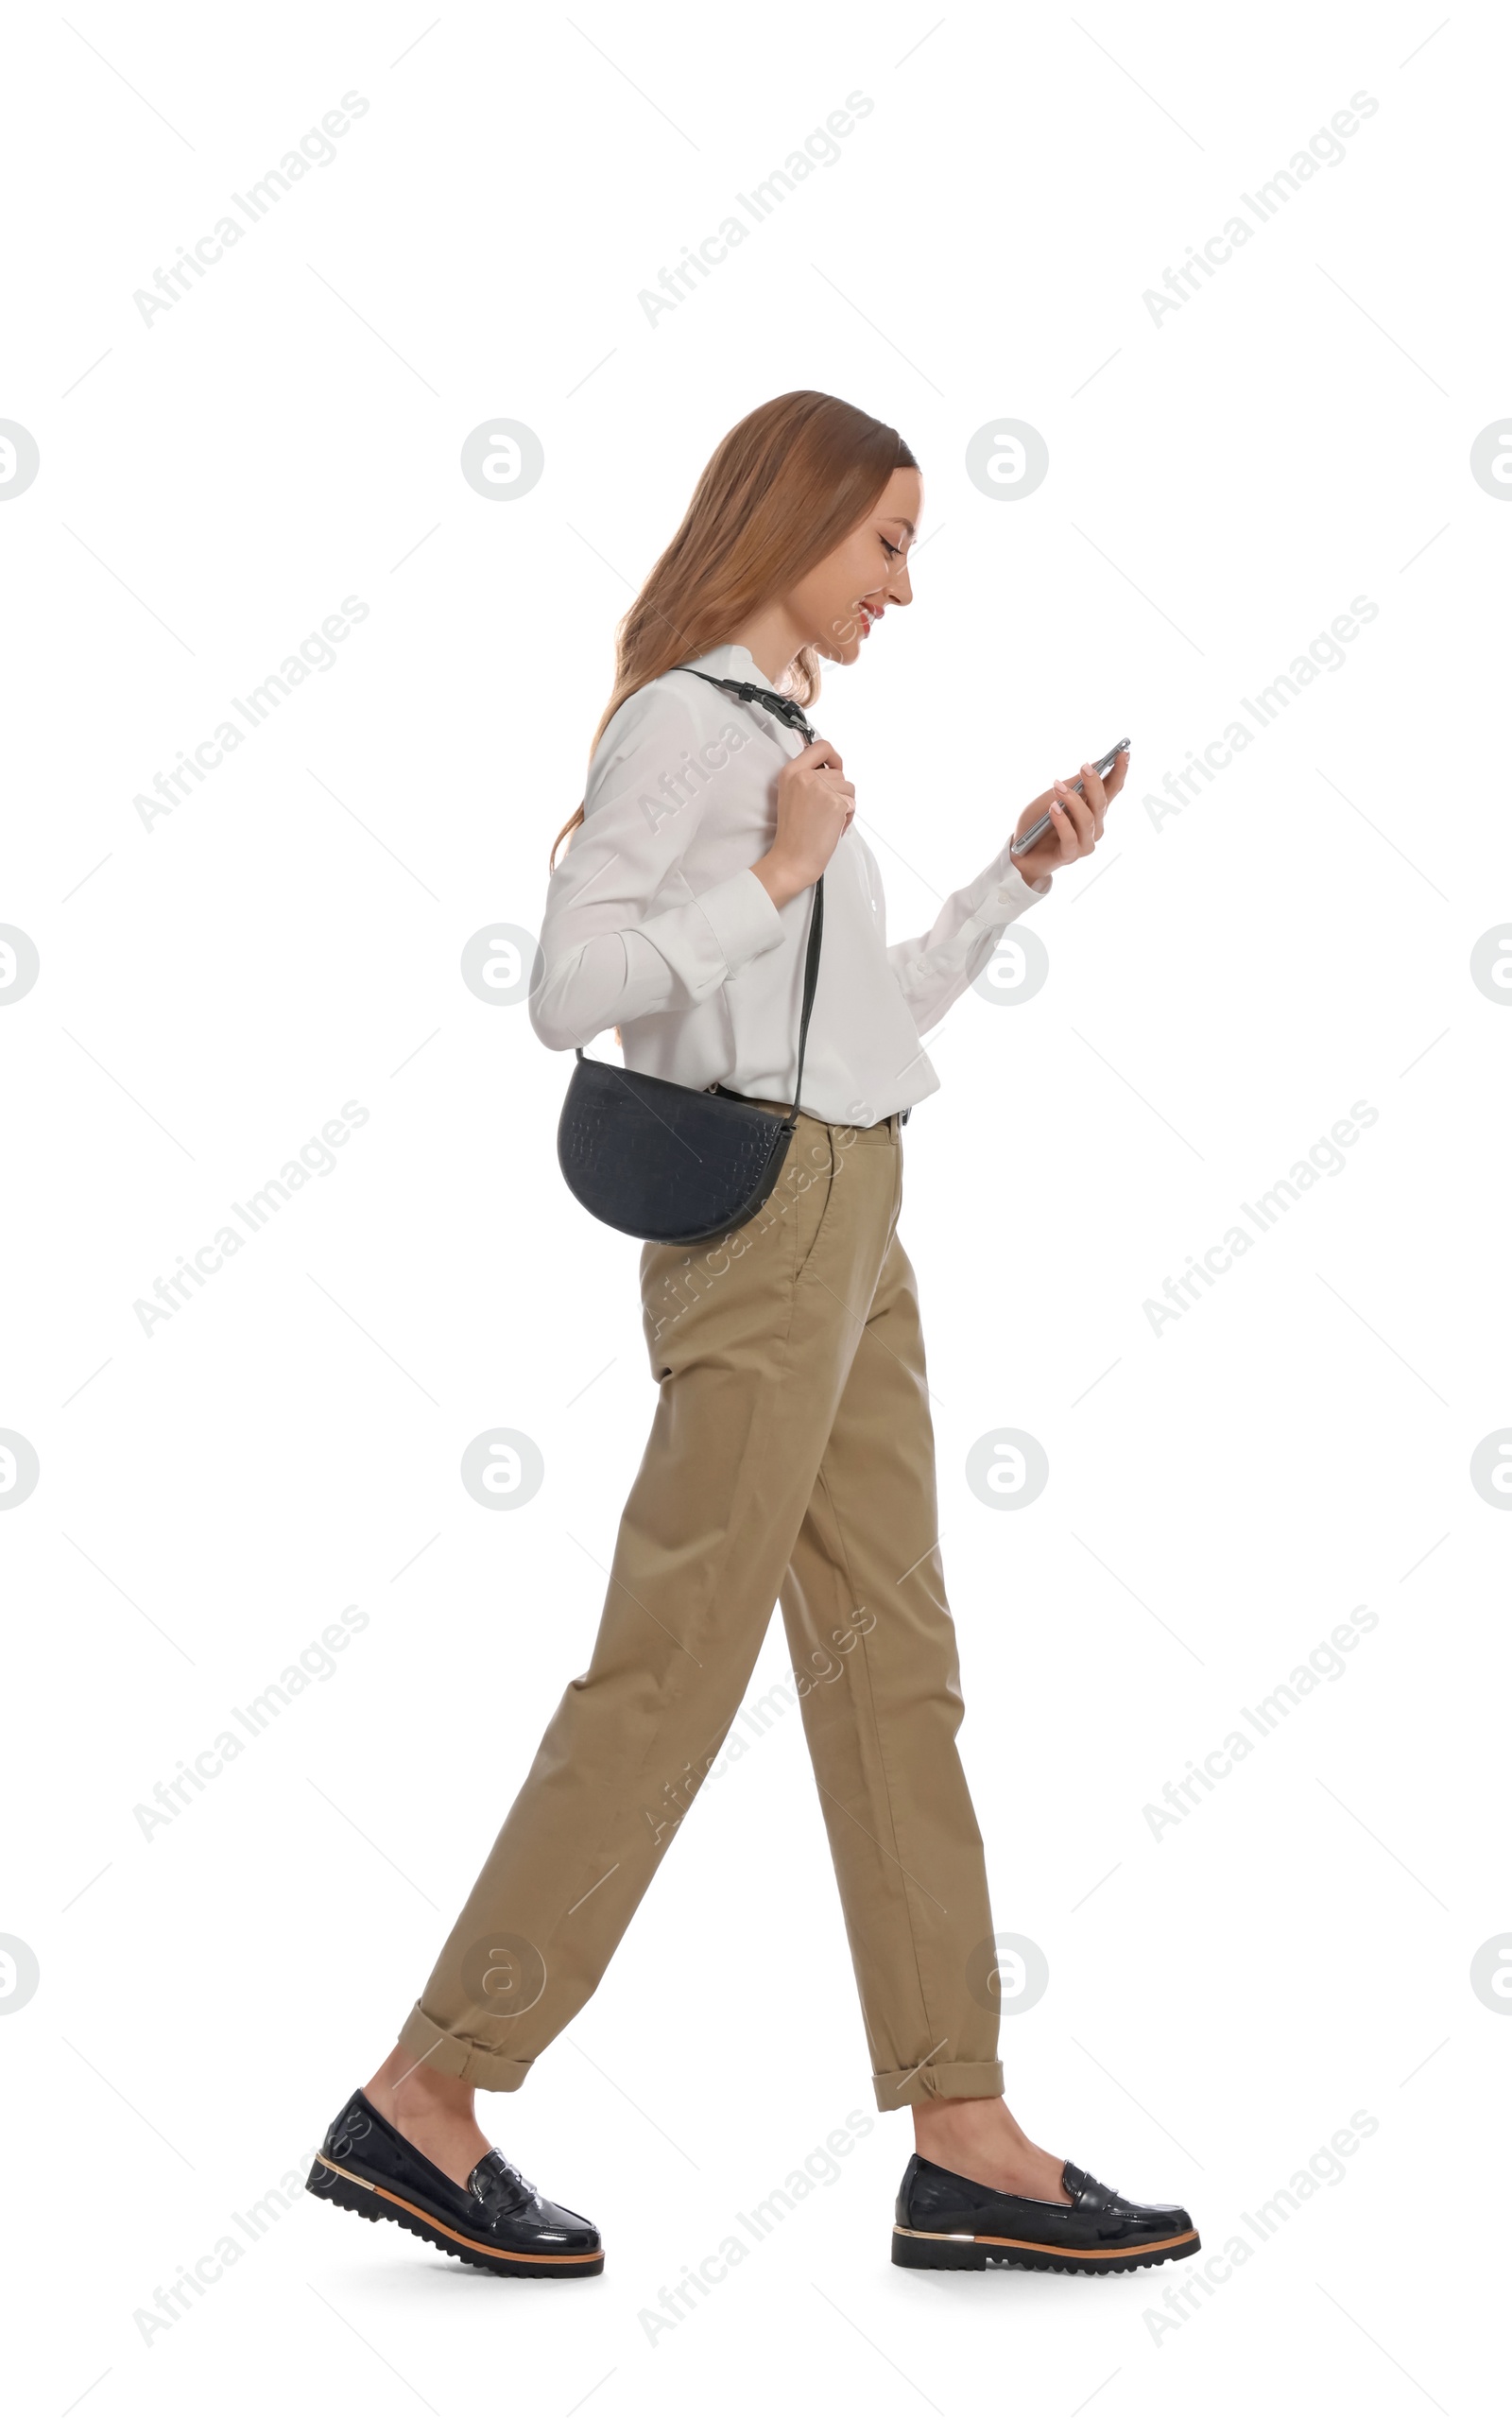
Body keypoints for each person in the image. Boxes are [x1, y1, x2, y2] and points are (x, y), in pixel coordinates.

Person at [308, 390, 1199, 2282]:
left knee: (895, 1665)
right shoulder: (684, 729)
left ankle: (960, 2127)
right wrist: (774, 872)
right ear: (786, 521)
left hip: (857, 1209)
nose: (903, 582)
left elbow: (857, 1019)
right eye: (883, 540)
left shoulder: (780, 742)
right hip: (766, 1225)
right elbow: (566, 985)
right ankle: (426, 2085)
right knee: (674, 1657)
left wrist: (1007, 878)